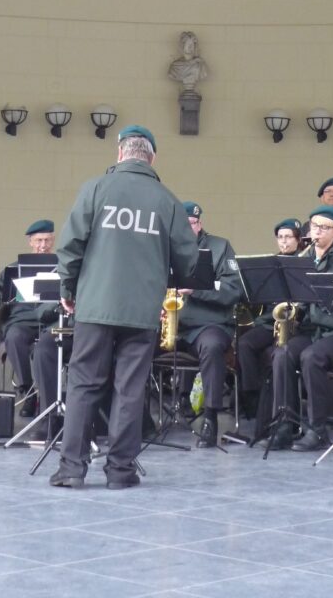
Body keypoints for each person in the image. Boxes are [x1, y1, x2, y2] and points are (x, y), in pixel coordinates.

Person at [49, 125, 200, 489]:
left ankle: (71, 469)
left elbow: (70, 247)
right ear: (152, 158)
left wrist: (69, 287)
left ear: (119, 153)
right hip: (142, 311)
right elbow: (188, 259)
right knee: (130, 389)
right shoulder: (166, 200)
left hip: (95, 306)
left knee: (84, 384)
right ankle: (121, 471)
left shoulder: (96, 189)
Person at [268, 205, 333, 452]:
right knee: (283, 352)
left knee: (312, 356)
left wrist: (315, 302)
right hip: (315, 330)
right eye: (314, 226)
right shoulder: (305, 259)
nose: (317, 232)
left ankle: (318, 428)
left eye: (324, 227)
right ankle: (284, 424)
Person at [173, 202, 243, 447]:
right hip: (172, 325)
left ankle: (211, 418)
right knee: (134, 341)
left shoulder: (220, 247)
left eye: (190, 224)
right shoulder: (166, 248)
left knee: (212, 347)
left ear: (199, 223)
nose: (185, 228)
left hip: (208, 326)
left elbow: (234, 290)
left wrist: (196, 290)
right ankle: (138, 421)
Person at [237, 218, 303, 421]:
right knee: (245, 343)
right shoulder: (271, 264)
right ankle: (253, 397)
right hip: (270, 321)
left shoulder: (304, 263)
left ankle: (279, 407)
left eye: (288, 237)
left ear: (298, 240)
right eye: (280, 237)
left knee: (278, 352)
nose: (284, 242)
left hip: (296, 324)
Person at [0, 219, 60, 421]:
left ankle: (47, 395)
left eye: (47, 240)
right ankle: (28, 391)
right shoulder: (14, 269)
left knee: (47, 344)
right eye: (39, 241)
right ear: (30, 242)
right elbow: (1, 297)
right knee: (14, 337)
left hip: (52, 318)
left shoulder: (61, 267)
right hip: (23, 319)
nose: (43, 246)